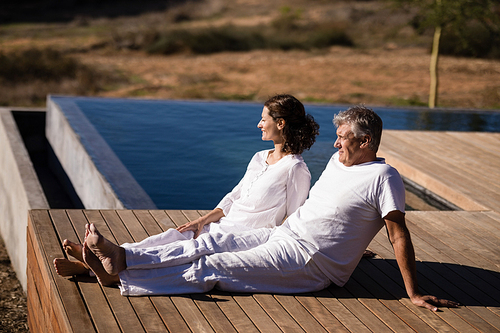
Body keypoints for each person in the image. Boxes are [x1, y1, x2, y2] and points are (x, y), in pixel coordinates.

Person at [83, 105, 459, 311]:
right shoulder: (338, 163)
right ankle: (124, 257)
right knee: (209, 244)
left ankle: (123, 275)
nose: (335, 146)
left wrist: (411, 292)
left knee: (214, 266)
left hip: (311, 263)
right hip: (285, 235)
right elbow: (334, 215)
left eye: (343, 139)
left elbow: (398, 235)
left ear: (364, 142)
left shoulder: (384, 178)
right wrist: (356, 250)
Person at [53, 94, 320, 277]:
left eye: (264, 119)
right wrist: (201, 221)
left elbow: (295, 220)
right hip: (223, 225)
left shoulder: (296, 169)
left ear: (280, 123)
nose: (259, 124)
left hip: (250, 236)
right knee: (173, 237)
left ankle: (106, 261)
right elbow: (234, 197)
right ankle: (100, 261)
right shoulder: (260, 157)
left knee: (189, 250)